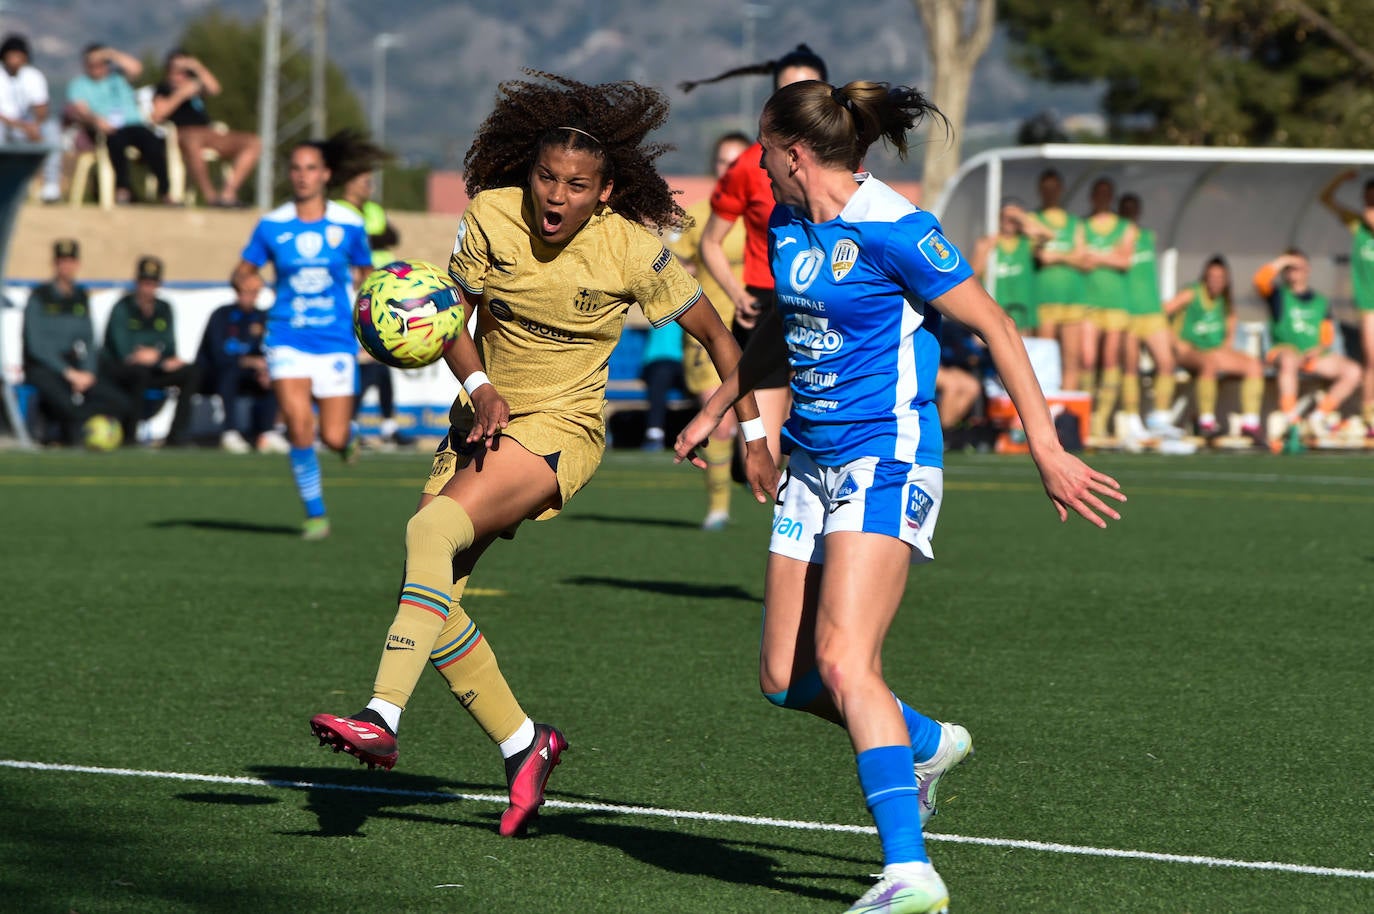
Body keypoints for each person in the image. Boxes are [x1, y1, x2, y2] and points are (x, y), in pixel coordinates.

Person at [675, 79, 1125, 914]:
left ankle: (910, 873)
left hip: (888, 460)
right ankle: (922, 741)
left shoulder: (899, 230)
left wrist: (1047, 448)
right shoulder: (786, 221)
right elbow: (781, 328)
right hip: (810, 463)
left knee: (847, 662)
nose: (755, 167)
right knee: (785, 678)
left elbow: (996, 327)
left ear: (795, 153)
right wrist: (718, 411)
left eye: (763, 154)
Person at [307, 70, 774, 838]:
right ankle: (527, 747)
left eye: (576, 185)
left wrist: (752, 435)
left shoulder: (631, 249)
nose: (556, 197)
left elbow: (723, 341)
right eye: (546, 178)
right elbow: (450, 320)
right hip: (481, 420)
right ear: (526, 174)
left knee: (428, 535)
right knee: (436, 594)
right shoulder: (491, 216)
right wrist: (481, 383)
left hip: (564, 430)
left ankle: (381, 715)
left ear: (605, 191)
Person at [681, 43, 831, 469]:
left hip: (831, 306)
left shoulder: (846, 165)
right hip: (769, 304)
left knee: (814, 443)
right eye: (789, 91)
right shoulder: (753, 165)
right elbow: (710, 241)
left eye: (810, 90)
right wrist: (738, 293)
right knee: (765, 452)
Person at [230, 130, 378, 539]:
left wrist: (376, 313)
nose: (302, 176)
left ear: (326, 174)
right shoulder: (272, 225)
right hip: (287, 336)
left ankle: (346, 440)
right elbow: (243, 270)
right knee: (298, 423)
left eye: (310, 168)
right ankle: (315, 513)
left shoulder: (349, 224)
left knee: (331, 436)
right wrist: (246, 281)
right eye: (295, 168)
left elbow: (367, 277)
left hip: (334, 338)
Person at [666, 130, 751, 528]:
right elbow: (674, 269)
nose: (730, 169)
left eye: (738, 161)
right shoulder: (696, 218)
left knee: (772, 423)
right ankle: (718, 508)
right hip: (710, 334)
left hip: (761, 332)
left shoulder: (765, 215)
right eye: (723, 162)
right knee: (722, 419)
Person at [21, 238, 133, 443]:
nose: (67, 266)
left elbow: (89, 340)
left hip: (73, 366)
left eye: (71, 261)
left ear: (77, 264)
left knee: (121, 402)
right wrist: (69, 373)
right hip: (43, 368)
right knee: (69, 408)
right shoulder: (40, 296)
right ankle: (76, 434)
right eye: (62, 261)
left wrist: (87, 372)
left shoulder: (80, 297)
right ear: (54, 264)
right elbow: (36, 345)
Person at [336, 166, 413, 447]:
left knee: (380, 360)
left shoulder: (373, 210)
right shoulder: (339, 211)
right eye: (363, 180)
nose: (369, 186)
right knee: (357, 361)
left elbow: (390, 237)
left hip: (380, 292)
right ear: (347, 182)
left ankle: (386, 425)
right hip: (354, 291)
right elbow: (351, 242)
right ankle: (346, 424)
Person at [1253, 250, 1362, 447]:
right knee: (1289, 360)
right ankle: (1291, 418)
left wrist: (1318, 349)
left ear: (1307, 270)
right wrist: (1284, 260)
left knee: (1353, 371)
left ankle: (1318, 417)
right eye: (1290, 269)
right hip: (1284, 352)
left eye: (1299, 267)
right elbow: (1260, 280)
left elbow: (1327, 335)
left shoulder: (1320, 301)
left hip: (1311, 357)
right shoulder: (1278, 295)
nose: (1295, 273)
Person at [1162, 256, 1265, 444]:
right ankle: (1206, 422)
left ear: (1226, 280)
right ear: (1205, 277)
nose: (1215, 281)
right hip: (1188, 351)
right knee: (1208, 363)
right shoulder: (1191, 293)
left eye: (1220, 277)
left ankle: (1251, 424)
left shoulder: (1225, 301)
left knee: (1253, 365)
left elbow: (1230, 330)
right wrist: (1174, 342)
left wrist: (1226, 348)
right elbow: (1161, 313)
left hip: (1212, 352)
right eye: (1211, 276)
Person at [100, 256, 201, 447]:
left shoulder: (164, 309)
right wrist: (155, 358)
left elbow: (169, 347)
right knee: (139, 373)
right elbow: (124, 352)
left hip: (154, 367)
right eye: (145, 283)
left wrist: (158, 359)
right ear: (137, 282)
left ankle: (176, 436)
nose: (148, 288)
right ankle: (130, 435)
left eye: (153, 283)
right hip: (122, 371)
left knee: (192, 372)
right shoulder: (123, 308)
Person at [150, 49, 262, 208]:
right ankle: (210, 196)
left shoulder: (196, 87)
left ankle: (228, 193)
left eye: (184, 71)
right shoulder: (163, 89)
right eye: (176, 71)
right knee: (194, 142)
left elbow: (215, 89)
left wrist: (196, 66)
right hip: (183, 133)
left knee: (252, 142)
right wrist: (180, 94)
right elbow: (158, 115)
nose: (180, 75)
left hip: (208, 131)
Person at [65, 43, 170, 205]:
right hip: (107, 128)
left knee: (154, 144)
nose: (97, 66)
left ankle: (165, 192)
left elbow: (136, 68)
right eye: (92, 63)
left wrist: (110, 54)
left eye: (100, 62)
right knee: (116, 144)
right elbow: (81, 110)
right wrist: (97, 121)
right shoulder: (79, 85)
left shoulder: (118, 78)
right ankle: (123, 189)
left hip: (134, 124)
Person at [1116, 192, 1180, 441]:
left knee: (1166, 362)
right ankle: (1132, 419)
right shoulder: (1116, 240)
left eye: (1134, 208)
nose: (1130, 213)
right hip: (1127, 313)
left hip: (1152, 311)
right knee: (1130, 367)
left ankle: (1160, 417)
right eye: (1126, 208)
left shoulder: (1147, 236)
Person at [196, 270, 281, 453]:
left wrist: (265, 368)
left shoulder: (261, 318)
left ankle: (266, 431)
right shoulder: (222, 315)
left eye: (255, 293)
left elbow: (269, 350)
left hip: (249, 375)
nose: (252, 297)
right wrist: (250, 362)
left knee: (275, 375)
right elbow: (218, 356)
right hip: (216, 374)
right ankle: (230, 431)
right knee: (230, 373)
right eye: (248, 292)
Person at [1078, 177, 1136, 441]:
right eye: (1098, 192)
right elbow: (1080, 258)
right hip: (1089, 300)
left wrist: (1098, 257)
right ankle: (1086, 418)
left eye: (1106, 192)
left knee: (1111, 358)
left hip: (1115, 302)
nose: (1102, 197)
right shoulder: (1083, 225)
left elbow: (1124, 260)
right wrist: (1106, 257)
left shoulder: (1125, 227)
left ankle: (1101, 418)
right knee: (1088, 358)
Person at [1317, 169, 1374, 435]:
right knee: (1372, 359)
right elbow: (1325, 198)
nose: (1369, 207)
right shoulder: (1357, 224)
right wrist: (1341, 177)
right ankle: (1370, 415)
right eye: (1367, 201)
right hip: (1368, 305)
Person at [1027, 169, 1089, 392]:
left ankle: (1067, 412)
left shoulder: (1075, 222)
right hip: (1044, 299)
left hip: (1073, 298)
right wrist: (1069, 256)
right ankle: (1046, 409)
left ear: (1061, 190)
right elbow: (1038, 255)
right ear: (1040, 191)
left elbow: (1084, 260)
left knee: (1072, 358)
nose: (1050, 193)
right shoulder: (1034, 219)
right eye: (1046, 189)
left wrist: (1056, 256)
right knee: (1044, 358)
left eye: (1054, 189)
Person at [970, 200, 1049, 335]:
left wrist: (1021, 216)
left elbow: (1047, 235)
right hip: (994, 310)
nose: (1009, 221)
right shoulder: (988, 242)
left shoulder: (1027, 243)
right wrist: (984, 250)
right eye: (1006, 217)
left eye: (1013, 219)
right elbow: (972, 276)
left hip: (1022, 312)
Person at [0, 33, 62, 203]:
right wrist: (23, 127)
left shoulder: (33, 76)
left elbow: (42, 109)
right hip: (6, 127)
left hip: (27, 127)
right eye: (11, 55)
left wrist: (36, 125)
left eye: (18, 55)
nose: (15, 60)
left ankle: (51, 186)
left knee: (52, 129)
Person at [638, 318, 685, 450]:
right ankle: (654, 434)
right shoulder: (656, 308)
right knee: (661, 374)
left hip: (683, 364)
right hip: (657, 362)